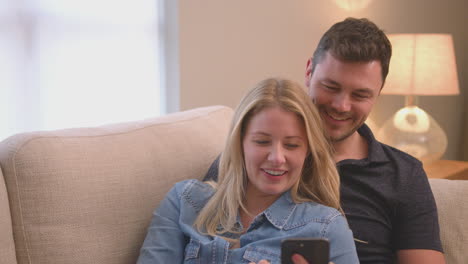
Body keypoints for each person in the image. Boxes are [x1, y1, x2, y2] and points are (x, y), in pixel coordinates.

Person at [205, 18, 445, 264]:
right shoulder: (251, 159)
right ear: (309, 71)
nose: (341, 105)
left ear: (380, 90)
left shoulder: (403, 175)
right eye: (330, 87)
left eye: (360, 94)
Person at [137, 78, 359, 264]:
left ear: (307, 151)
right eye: (262, 142)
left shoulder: (326, 226)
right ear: (240, 143)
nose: (277, 158)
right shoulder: (184, 201)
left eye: (292, 145)